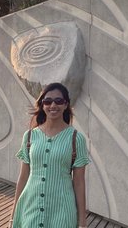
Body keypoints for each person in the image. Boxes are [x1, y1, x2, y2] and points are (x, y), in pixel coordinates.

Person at [10, 82, 89, 228]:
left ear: (66, 105)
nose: (53, 105)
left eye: (58, 101)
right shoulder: (29, 136)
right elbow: (23, 177)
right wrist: (13, 216)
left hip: (62, 210)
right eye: (47, 101)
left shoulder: (76, 139)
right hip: (30, 206)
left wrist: (82, 221)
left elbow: (79, 182)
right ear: (42, 105)